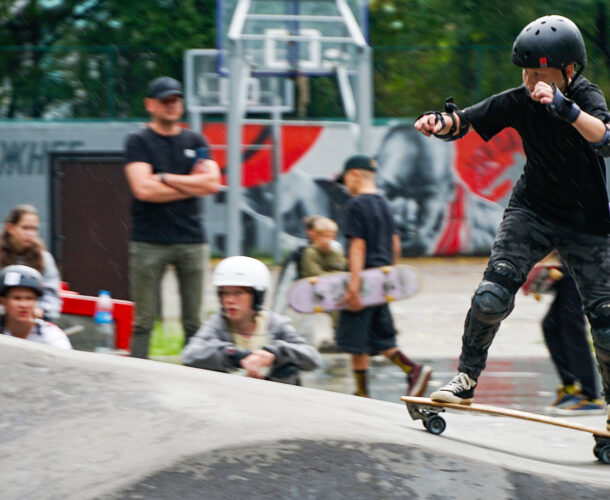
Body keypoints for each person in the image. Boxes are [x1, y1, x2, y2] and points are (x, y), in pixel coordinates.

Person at [414, 15, 610, 429]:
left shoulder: (585, 98)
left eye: (540, 73)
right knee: (491, 294)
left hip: (587, 223)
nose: (531, 81)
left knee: (605, 319)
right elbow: (466, 120)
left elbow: (604, 138)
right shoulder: (520, 100)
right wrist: (440, 123)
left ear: (569, 72)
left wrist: (564, 108)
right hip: (532, 211)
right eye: (526, 71)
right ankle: (465, 378)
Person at [124, 76, 221, 359]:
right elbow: (143, 189)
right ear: (150, 105)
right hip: (149, 240)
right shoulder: (138, 141)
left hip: (191, 239)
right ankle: (137, 373)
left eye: (176, 100)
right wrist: (191, 185)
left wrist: (165, 178)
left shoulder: (195, 139)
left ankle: (195, 372)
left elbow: (212, 183)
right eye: (165, 100)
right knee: (144, 320)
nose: (172, 105)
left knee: (194, 321)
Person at [336, 154, 433, 398]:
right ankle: (413, 371)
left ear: (355, 174)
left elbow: (357, 246)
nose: (346, 186)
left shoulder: (355, 205)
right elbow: (396, 246)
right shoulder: (384, 205)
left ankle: (362, 393)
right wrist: (388, 280)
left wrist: (354, 286)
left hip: (365, 279)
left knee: (355, 342)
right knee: (382, 340)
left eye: (345, 179)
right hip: (382, 279)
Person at [182, 256, 321, 384]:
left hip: (274, 396)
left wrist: (274, 354)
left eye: (238, 293)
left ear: (257, 296)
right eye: (224, 293)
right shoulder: (218, 322)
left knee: (290, 370)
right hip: (229, 396)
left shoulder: (274, 323)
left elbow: (312, 358)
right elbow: (190, 355)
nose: (229, 300)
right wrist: (235, 356)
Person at [530, 254, 605, 415]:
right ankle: (571, 386)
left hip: (584, 263)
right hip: (571, 263)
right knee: (551, 325)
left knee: (572, 328)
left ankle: (590, 396)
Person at [0, 204, 62, 321]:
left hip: (33, 323)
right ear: (10, 228)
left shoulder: (44, 258)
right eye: (25, 228)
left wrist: (42, 310)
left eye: (34, 229)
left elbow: (52, 296)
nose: (30, 234)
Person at [0, 265, 71, 349]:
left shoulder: (51, 335)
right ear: (3, 301)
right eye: (17, 298)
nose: (24, 305)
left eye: (29, 298)